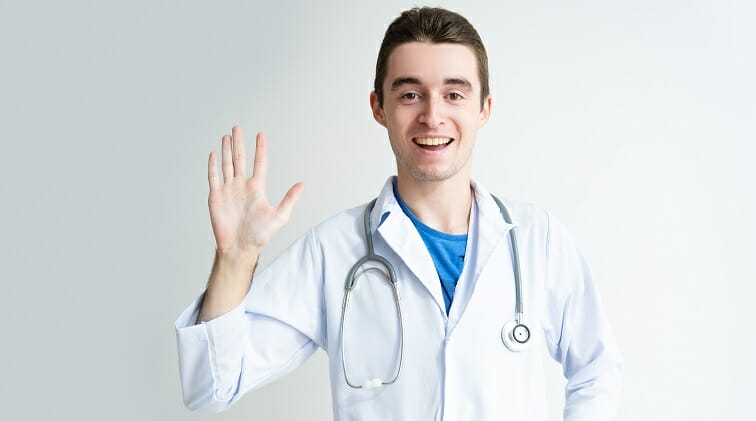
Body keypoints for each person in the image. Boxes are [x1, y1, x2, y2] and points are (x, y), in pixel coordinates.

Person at [174, 6, 623, 420]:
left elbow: (596, 370)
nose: (433, 115)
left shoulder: (536, 240)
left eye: (454, 94)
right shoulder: (333, 250)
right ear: (379, 108)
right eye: (410, 94)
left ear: (484, 109)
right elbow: (211, 386)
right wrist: (236, 257)